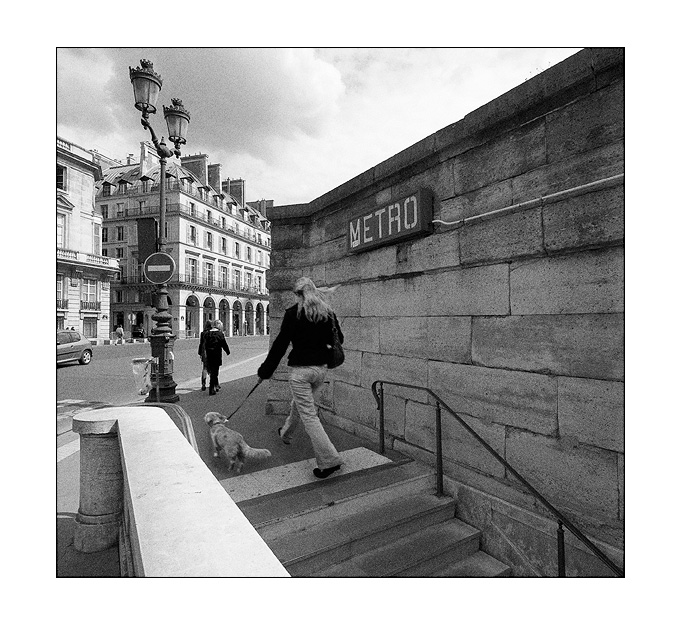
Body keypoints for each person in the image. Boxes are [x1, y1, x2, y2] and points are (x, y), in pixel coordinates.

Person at [257, 277, 344, 479]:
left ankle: (330, 460)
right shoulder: (328, 313)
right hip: (320, 370)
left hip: (300, 372)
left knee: (309, 416)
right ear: (313, 291)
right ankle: (286, 432)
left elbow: (280, 345)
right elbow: (339, 339)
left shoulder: (292, 314)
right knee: (300, 404)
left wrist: (265, 372)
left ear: (297, 294)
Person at [203, 319, 230, 395]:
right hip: (216, 354)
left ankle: (215, 386)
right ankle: (212, 388)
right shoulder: (220, 334)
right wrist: (227, 351)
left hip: (209, 354)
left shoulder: (207, 333)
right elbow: (223, 343)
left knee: (212, 370)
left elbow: (204, 344)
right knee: (215, 372)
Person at [197, 319, 213, 391]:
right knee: (213, 368)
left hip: (204, 351)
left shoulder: (202, 333)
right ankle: (213, 384)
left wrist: (200, 353)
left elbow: (200, 344)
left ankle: (203, 384)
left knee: (204, 368)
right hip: (211, 351)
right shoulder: (212, 333)